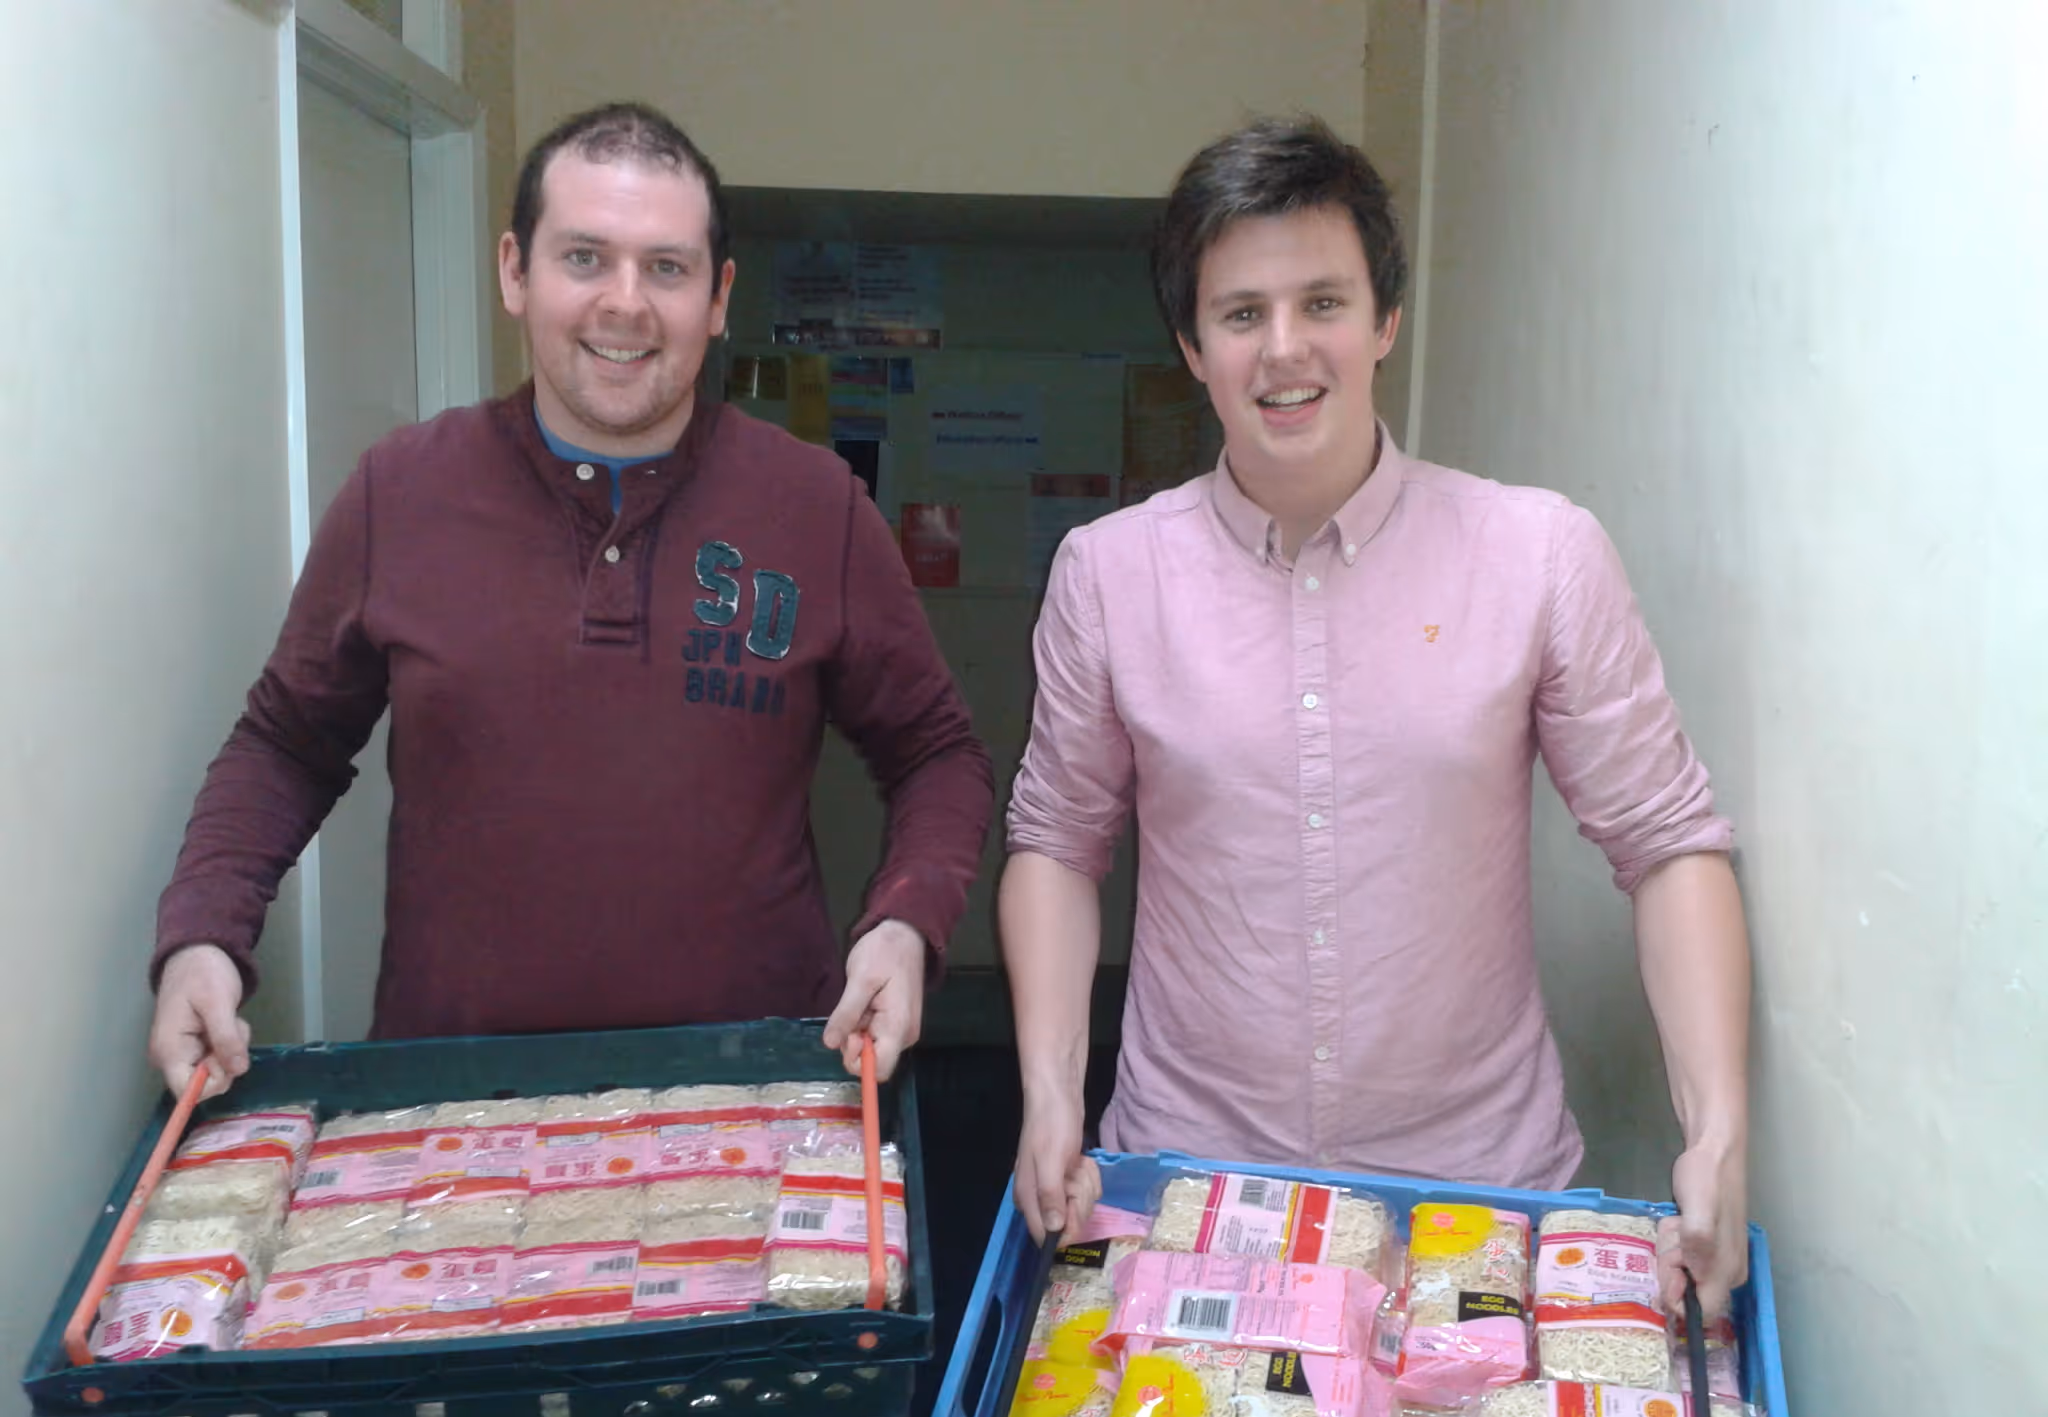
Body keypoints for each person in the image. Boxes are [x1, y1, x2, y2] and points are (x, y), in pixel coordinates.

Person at [1001, 116, 1751, 1314]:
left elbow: (1665, 844)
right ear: (1192, 346)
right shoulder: (1107, 573)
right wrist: (1049, 1093)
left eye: (1323, 303)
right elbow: (1055, 841)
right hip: (1189, 1195)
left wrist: (1714, 1133)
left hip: (1474, 1200)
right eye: (1240, 313)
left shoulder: (1536, 553)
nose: (1284, 349)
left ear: (1385, 321)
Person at [148, 102, 993, 1098]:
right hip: (449, 1100)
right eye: (584, 258)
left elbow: (938, 755)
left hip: (751, 1093)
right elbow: (285, 744)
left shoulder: (814, 506)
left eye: (666, 268)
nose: (624, 304)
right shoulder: (400, 491)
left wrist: (904, 924)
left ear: (718, 297)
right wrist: (204, 934)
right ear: (515, 271)